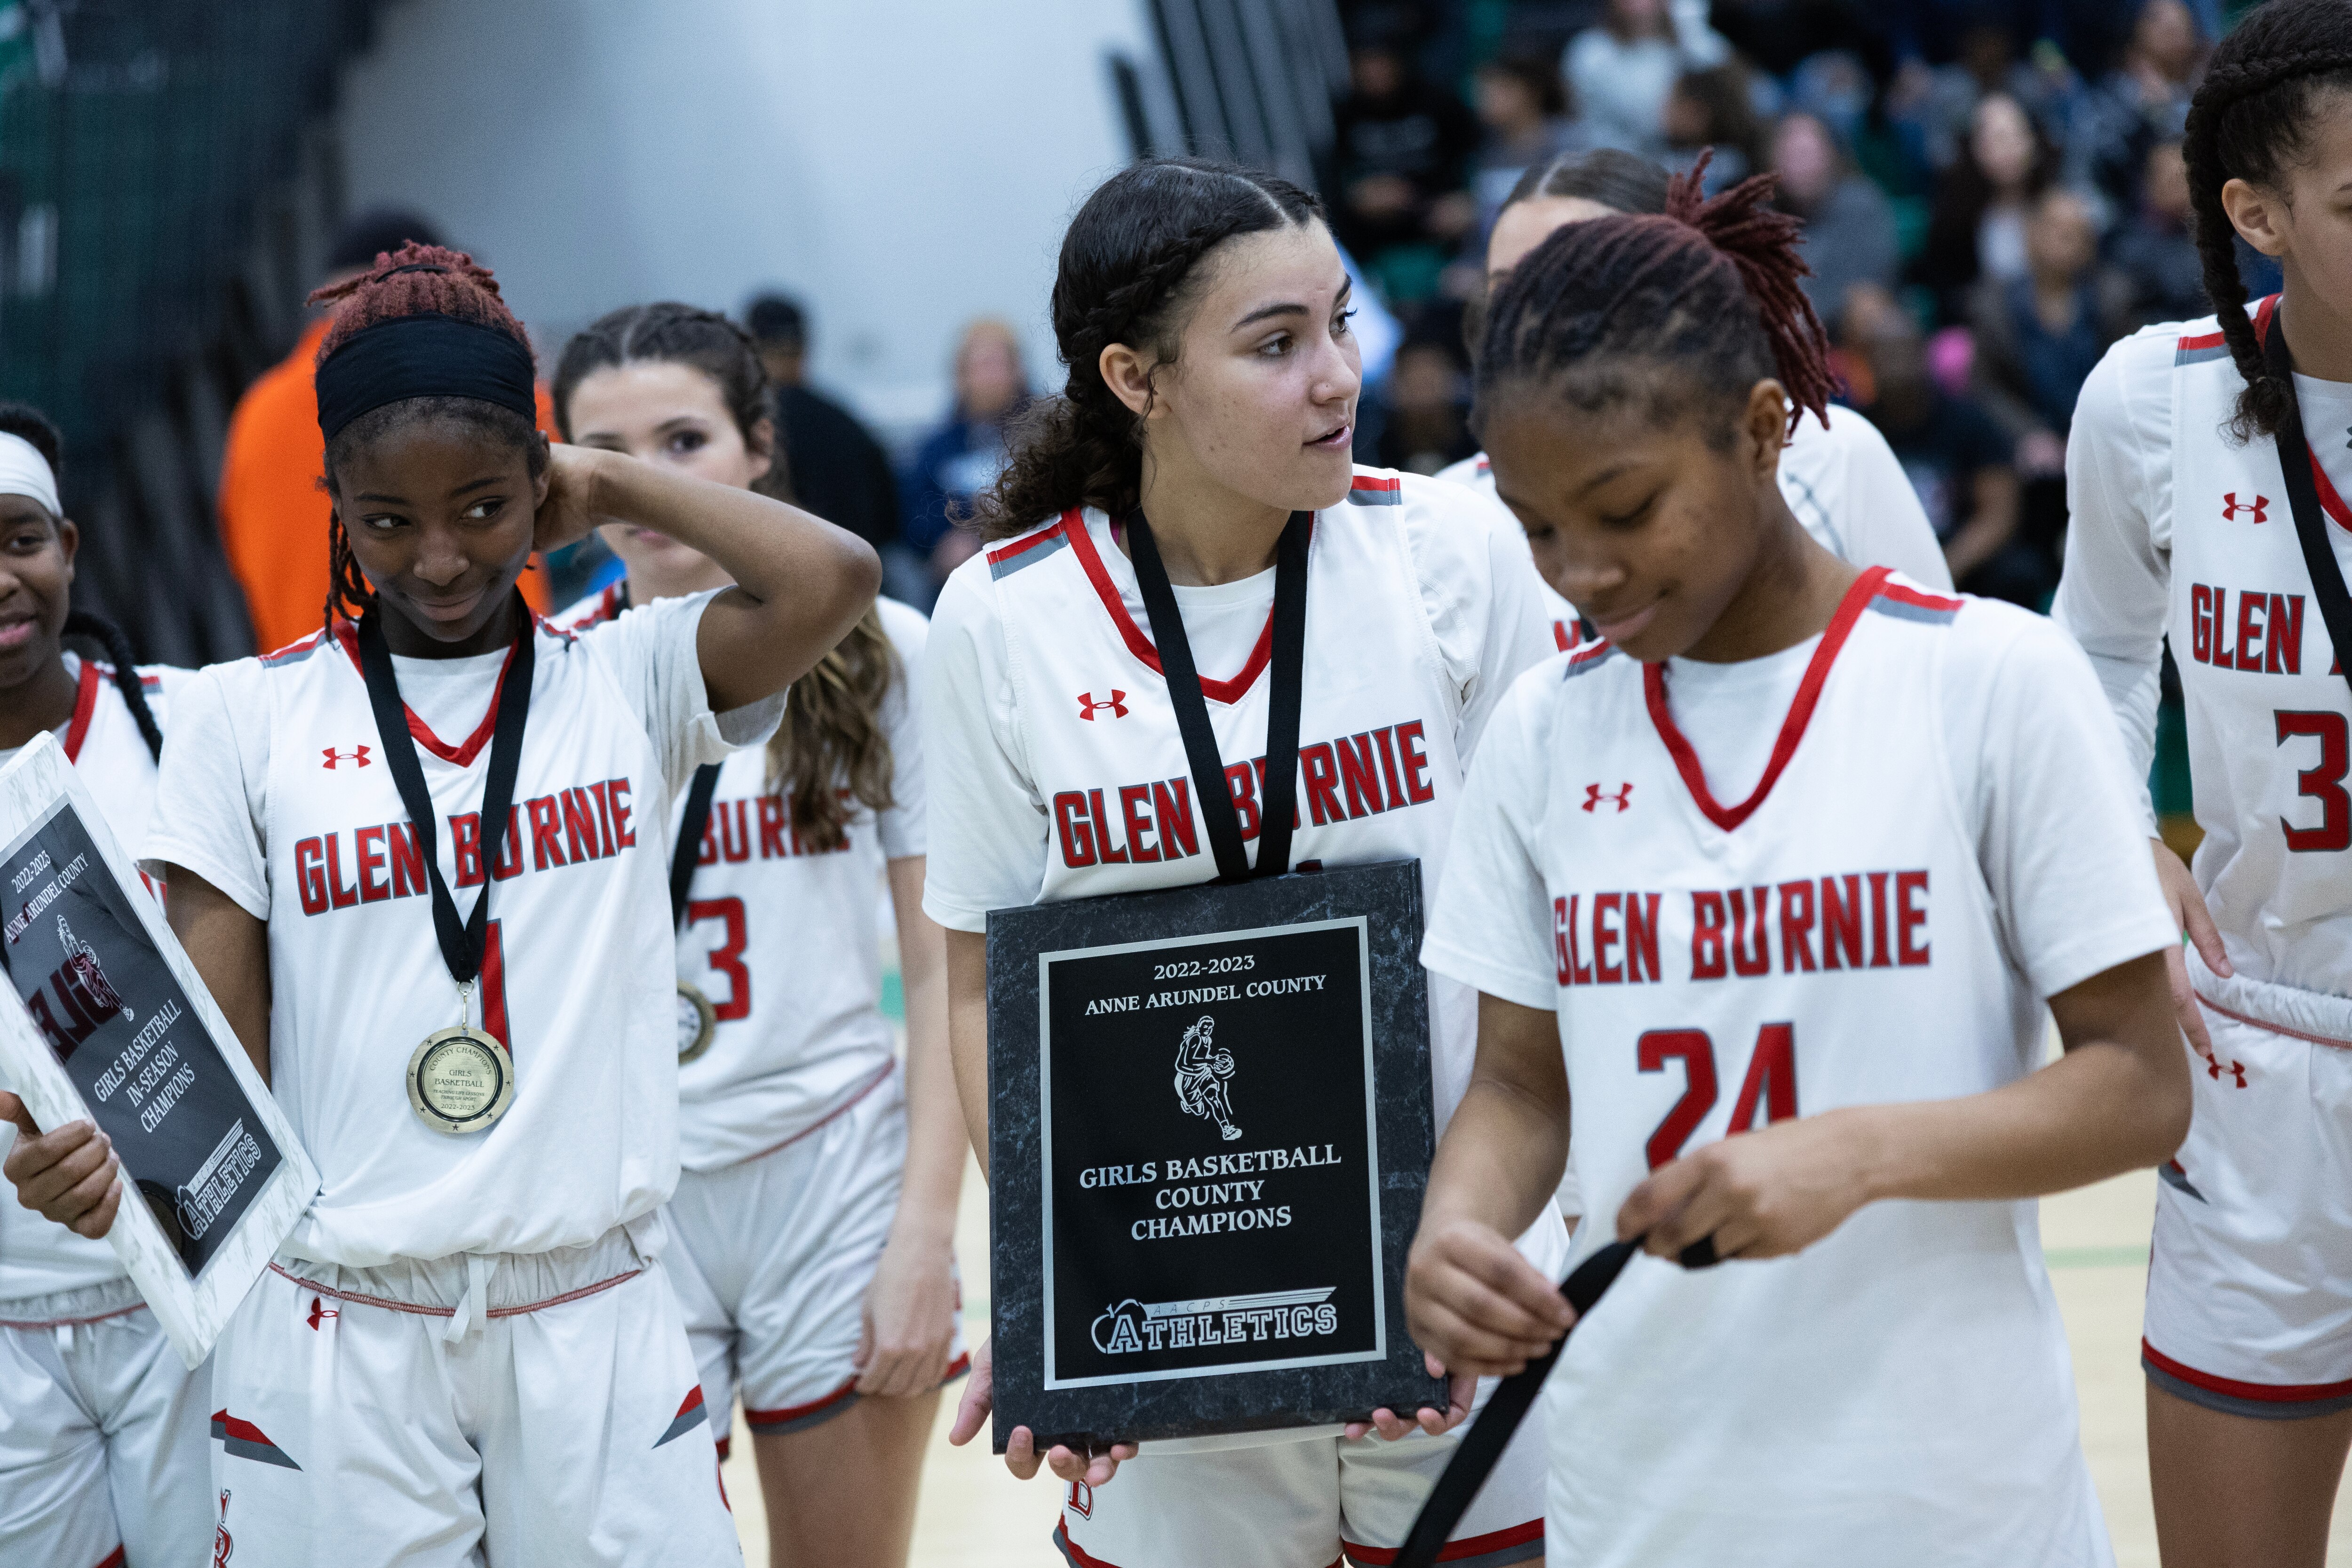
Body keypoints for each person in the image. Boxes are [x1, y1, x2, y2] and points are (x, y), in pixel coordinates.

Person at [3, 244, 880, 1564]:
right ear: (336, 510)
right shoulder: (246, 714)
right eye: (389, 520)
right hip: (339, 1318)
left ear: (540, 483)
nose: (443, 559)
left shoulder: (629, 674)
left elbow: (835, 580)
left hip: (597, 1301)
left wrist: (603, 479)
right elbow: (218, 1054)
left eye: (483, 507)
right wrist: (116, 1174)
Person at [1408, 165, 2186, 1566]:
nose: (1576, 569)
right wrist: (1459, 1224)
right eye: (1535, 527)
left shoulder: (1992, 683)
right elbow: (1521, 1083)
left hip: (1949, 1498)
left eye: (1624, 506)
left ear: (1763, 429)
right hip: (1636, 1496)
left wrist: (1860, 1150)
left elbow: (2138, 1083)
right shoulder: (1538, 731)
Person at [925, 156, 1563, 1568]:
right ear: (1134, 377)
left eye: (1341, 323)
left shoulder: (1452, 552)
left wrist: (1477, 1239)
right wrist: (1056, 1293)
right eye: (1277, 345)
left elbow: (1548, 940)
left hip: (1447, 1279)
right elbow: (977, 983)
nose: (1338, 375)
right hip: (1170, 1314)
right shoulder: (1000, 619)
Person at [549, 301, 965, 1568]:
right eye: (605, 455)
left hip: (829, 1170)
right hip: (625, 1196)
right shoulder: (549, 673)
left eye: (683, 440)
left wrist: (923, 1238)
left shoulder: (890, 649)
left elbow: (950, 963)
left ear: (758, 445)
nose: (649, 486)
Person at [2052, 3, 2352, 1558]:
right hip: (2260, 1054)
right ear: (2257, 213)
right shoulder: (2148, 403)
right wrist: (2120, 844)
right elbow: (2092, 656)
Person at [1440, 147, 1949, 656]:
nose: (1540, 319)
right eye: (1509, 292)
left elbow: (1936, 670)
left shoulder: (1831, 453)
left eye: (1582, 281)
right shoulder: (1453, 516)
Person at [0, 402, 203, 1568]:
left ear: (69, 548)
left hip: (193, 1290)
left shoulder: (190, 730)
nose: (2, 578)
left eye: (20, 537)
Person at [217, 211, 553, 655]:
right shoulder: (463, 372)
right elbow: (591, 481)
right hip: (487, 679)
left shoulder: (255, 415)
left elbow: (241, 558)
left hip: (312, 696)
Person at [1840, 286, 2037, 602]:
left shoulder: (1969, 420)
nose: (1897, 364)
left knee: (2018, 571)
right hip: (1880, 566)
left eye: (1905, 351)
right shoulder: (1854, 431)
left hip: (1960, 560)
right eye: (1885, 354)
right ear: (1868, 363)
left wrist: (1943, 569)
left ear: (1924, 353)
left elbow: (2000, 514)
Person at [743, 294, 904, 558]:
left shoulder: (740, 430)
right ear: (805, 350)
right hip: (863, 575)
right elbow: (890, 523)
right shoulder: (847, 424)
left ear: (747, 352)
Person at [899, 319, 1031, 608]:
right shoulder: (936, 447)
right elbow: (913, 515)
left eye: (998, 364)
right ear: (961, 375)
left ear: (1018, 371)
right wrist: (941, 544)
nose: (990, 376)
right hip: (959, 582)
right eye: (981, 365)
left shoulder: (1047, 436)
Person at [1916, 92, 2062, 321]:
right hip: (1985, 328)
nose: (2011, 148)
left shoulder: (2058, 203)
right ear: (1975, 149)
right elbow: (1949, 291)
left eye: (2019, 135)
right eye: (1998, 139)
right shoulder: (1955, 216)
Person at [1768, 111, 1902, 322]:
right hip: (1781, 330)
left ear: (1830, 154)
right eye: (1790, 155)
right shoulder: (1762, 215)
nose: (1799, 165)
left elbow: (1870, 285)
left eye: (1807, 154)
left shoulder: (1861, 205)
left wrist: (1802, 317)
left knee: (1869, 305)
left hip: (1844, 329)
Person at [1560, 0, 1732, 156]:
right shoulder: (1591, 50)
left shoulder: (1684, 43)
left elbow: (1729, 88)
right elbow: (1649, 121)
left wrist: (1689, 25)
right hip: (1610, 163)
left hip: (1676, 161)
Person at [2110, 139, 2210, 327]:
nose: (2176, 187)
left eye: (2181, 178)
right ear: (2149, 184)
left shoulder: (2224, 239)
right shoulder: (2126, 246)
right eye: (2167, 178)